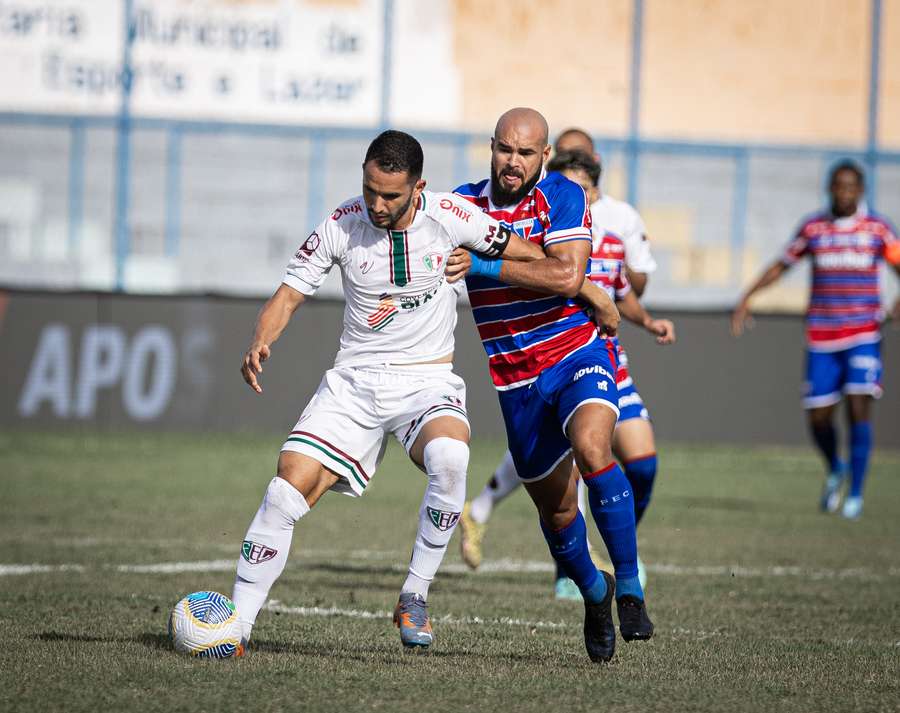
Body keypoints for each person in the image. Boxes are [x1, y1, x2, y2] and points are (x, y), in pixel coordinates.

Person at [229, 129, 602, 653]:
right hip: (355, 384)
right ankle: (236, 627)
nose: (376, 205)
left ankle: (414, 595)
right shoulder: (341, 223)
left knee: (450, 457)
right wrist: (260, 340)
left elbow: (531, 253)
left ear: (417, 187)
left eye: (390, 196)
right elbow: (289, 294)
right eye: (369, 191)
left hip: (427, 380)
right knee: (284, 491)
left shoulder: (453, 216)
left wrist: (589, 289)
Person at [446, 107, 654, 663]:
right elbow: (417, 237)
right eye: (503, 150)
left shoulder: (563, 195)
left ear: (543, 156)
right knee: (559, 514)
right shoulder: (461, 205)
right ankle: (594, 592)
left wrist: (483, 265)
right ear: (491, 148)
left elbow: (565, 274)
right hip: (515, 383)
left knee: (593, 447)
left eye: (524, 153)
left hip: (576, 353)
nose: (512, 163)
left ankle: (630, 585)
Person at [732, 160, 900, 519]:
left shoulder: (878, 229)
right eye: (838, 186)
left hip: (863, 334)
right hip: (822, 335)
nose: (844, 193)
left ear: (861, 190)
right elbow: (783, 264)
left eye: (850, 187)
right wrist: (749, 295)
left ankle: (855, 494)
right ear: (830, 189)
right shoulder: (814, 228)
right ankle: (836, 468)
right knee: (819, 417)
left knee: (859, 408)